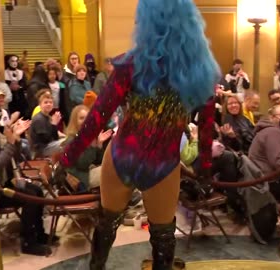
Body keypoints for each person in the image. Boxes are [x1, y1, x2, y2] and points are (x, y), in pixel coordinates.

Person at [57, 0, 218, 268]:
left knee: (111, 224)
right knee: (162, 235)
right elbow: (206, 127)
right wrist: (205, 169)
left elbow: (97, 117)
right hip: (161, 163)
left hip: (123, 158)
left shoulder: (131, 64)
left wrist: (66, 158)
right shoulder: (200, 72)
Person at [0, 97, 55, 256]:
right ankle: (28, 242)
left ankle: (39, 234)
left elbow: (16, 153)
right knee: (30, 197)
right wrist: (11, 140)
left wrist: (16, 137)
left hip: (3, 181)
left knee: (37, 191)